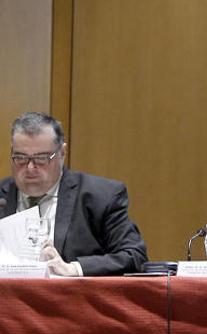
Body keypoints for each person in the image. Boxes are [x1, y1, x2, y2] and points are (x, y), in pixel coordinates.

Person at [0, 112, 147, 275]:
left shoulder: (99, 197)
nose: (30, 168)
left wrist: (74, 268)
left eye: (41, 158)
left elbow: (134, 256)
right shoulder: (2, 196)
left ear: (62, 153)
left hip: (71, 298)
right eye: (20, 158)